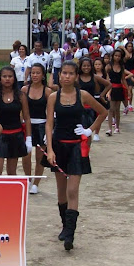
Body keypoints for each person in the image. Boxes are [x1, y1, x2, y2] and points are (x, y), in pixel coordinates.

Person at [45, 61, 107, 250]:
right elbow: (49, 124)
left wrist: (89, 131)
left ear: (76, 76)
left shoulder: (84, 95)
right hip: (58, 146)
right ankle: (65, 225)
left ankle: (71, 233)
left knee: (73, 190)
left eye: (71, 73)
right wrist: (49, 149)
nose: (67, 76)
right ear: (59, 75)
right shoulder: (53, 97)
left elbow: (103, 112)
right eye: (64, 73)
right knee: (61, 191)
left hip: (76, 148)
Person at [0, 66, 32, 176]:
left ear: (14, 78)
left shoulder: (20, 95)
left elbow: (26, 118)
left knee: (12, 171)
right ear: (0, 79)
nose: (7, 79)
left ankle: (10, 192)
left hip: (15, 135)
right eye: (4, 76)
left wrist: (29, 138)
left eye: (10, 76)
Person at [21, 63, 52, 194]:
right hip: (27, 125)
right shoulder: (24, 90)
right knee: (25, 155)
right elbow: (20, 109)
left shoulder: (47, 91)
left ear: (43, 75)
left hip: (41, 125)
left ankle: (36, 183)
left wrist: (49, 131)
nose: (34, 75)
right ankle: (28, 179)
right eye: (32, 72)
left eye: (37, 73)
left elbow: (51, 113)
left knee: (40, 157)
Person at [77, 57, 111, 141]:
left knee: (88, 131)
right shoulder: (77, 77)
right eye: (84, 66)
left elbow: (109, 85)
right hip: (79, 106)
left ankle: (86, 151)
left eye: (88, 66)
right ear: (80, 67)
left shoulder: (94, 77)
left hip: (90, 106)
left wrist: (102, 95)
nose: (86, 68)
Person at [105, 49, 134, 135]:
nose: (117, 57)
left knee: (117, 109)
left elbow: (123, 80)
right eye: (116, 56)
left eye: (119, 56)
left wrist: (127, 90)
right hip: (111, 88)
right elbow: (106, 79)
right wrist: (107, 91)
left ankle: (117, 127)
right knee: (110, 109)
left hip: (119, 88)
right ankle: (110, 128)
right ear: (113, 56)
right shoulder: (108, 66)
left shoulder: (121, 67)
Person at [122, 41, 134, 112]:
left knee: (130, 88)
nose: (130, 48)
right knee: (126, 89)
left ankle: (130, 104)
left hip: (132, 72)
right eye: (128, 46)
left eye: (131, 46)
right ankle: (126, 105)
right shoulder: (124, 55)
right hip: (125, 72)